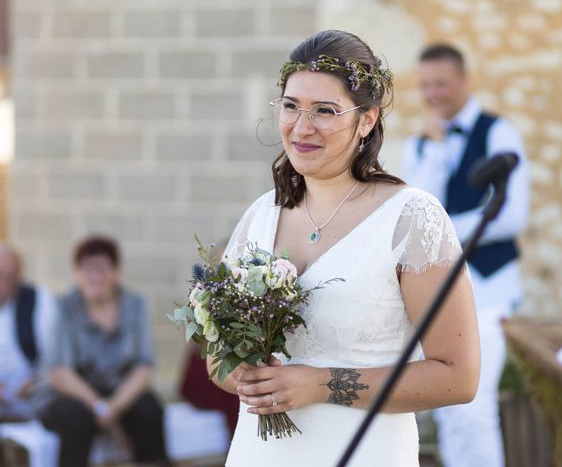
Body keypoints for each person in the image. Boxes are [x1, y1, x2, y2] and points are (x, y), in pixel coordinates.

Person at [209, 30, 481, 467]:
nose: (302, 126)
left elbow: (459, 378)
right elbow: (214, 359)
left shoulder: (411, 219)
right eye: (291, 106)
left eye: (325, 111)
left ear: (368, 120)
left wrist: (321, 384)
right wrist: (240, 373)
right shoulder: (259, 217)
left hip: (364, 452)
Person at [402, 43, 530, 467]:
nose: (432, 93)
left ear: (463, 81)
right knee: (447, 410)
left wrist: (446, 231)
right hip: (438, 292)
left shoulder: (498, 132)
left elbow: (511, 216)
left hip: (489, 290)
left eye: (440, 83)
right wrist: (435, 152)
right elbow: (417, 214)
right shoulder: (419, 145)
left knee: (474, 408)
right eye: (424, 85)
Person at [33, 236, 168, 467]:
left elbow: (144, 367)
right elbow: (60, 373)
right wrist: (101, 408)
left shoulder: (135, 305)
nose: (94, 277)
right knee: (77, 418)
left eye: (102, 269)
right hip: (71, 394)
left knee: (149, 409)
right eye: (87, 269)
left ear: (116, 272)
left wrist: (113, 407)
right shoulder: (64, 307)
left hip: (118, 392)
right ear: (76, 273)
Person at [0, 244, 57, 421]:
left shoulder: (39, 300)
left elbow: (54, 354)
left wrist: (35, 382)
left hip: (33, 396)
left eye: (8, 277)